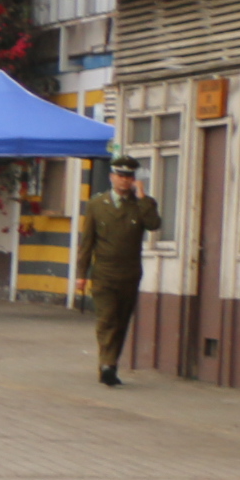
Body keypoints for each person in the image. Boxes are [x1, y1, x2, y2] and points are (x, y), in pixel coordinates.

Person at [78, 157, 161, 386]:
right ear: (112, 176)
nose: (124, 181)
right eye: (120, 176)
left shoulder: (141, 204)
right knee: (107, 319)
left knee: (122, 320)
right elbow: (87, 242)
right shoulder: (97, 205)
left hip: (130, 273)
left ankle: (111, 364)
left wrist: (143, 197)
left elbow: (153, 224)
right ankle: (106, 364)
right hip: (104, 272)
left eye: (129, 177)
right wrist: (81, 274)